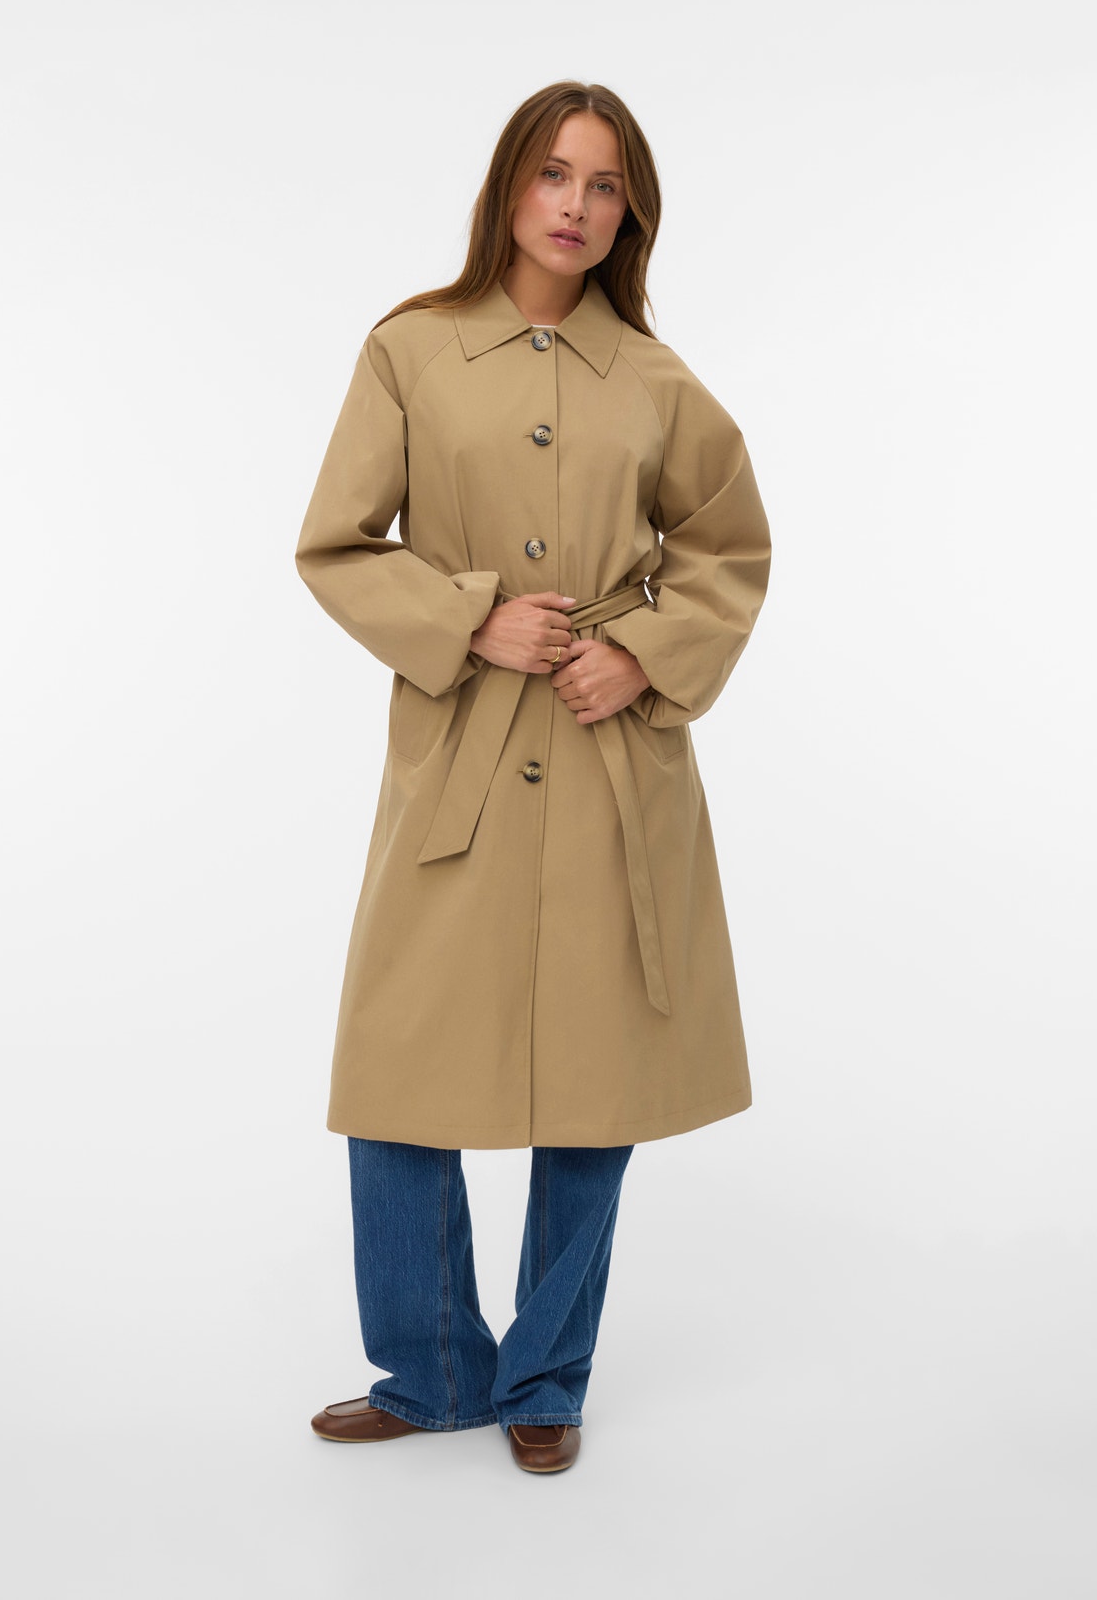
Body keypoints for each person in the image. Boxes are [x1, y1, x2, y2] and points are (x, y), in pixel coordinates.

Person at [294, 80, 771, 1474]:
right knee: (397, 1069)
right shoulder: (412, 350)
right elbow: (337, 544)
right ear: (509, 187)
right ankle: (433, 1368)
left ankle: (546, 1378)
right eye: (555, 173)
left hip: (614, 762)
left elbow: (731, 550)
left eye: (605, 184)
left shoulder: (657, 381)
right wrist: (468, 619)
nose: (576, 204)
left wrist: (647, 652)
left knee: (597, 1086)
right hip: (460, 755)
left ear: (632, 214)